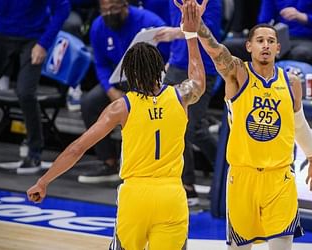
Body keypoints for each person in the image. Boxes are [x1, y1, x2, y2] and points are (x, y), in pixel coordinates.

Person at [26, 1, 206, 248]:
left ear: (128, 73)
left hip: (135, 196)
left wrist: (44, 181)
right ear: (159, 69)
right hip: (172, 195)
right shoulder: (180, 96)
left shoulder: (121, 107)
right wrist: (191, 33)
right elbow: (197, 77)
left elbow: (76, 149)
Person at [175, 0, 312, 248]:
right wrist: (198, 25)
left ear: (278, 47)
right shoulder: (237, 73)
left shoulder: (291, 83)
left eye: (270, 41)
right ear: (249, 46)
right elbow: (215, 51)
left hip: (280, 178)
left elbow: (299, 125)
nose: (265, 45)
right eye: (260, 40)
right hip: (243, 178)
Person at [77, 0, 168, 183]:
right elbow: (101, 64)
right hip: (120, 80)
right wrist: (109, 89)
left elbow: (170, 55)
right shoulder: (97, 27)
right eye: (104, 10)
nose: (109, 13)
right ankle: (108, 162)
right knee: (89, 103)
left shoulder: (149, 22)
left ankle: (150, 166)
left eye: (113, 9)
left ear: (125, 5)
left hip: (150, 80)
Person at [0, 0, 70, 173]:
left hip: (33, 37)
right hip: (1, 34)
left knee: (25, 92)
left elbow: (63, 8)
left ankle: (34, 152)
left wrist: (43, 44)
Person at [154, 0, 221, 206]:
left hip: (204, 67)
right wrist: (170, 60)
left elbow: (208, 33)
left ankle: (198, 182)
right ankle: (199, 180)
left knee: (188, 128)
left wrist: (176, 32)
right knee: (184, 128)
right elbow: (177, 33)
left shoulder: (211, 2)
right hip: (175, 65)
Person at [224, 0, 312, 67]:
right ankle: (228, 97)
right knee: (229, 47)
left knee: (299, 54)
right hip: (282, 40)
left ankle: (286, 99)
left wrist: (302, 17)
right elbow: (264, 20)